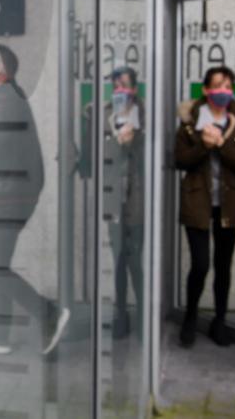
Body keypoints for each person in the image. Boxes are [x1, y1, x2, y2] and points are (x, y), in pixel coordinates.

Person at [0, 44, 71, 355]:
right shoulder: (3, 96)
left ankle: (49, 313)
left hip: (10, 195)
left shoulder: (8, 99)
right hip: (7, 194)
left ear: (2, 68)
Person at [174, 66, 235, 347]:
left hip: (228, 202)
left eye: (228, 86)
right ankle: (190, 317)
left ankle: (220, 321)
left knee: (223, 265)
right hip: (197, 200)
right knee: (200, 264)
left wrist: (221, 143)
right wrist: (204, 145)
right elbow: (180, 159)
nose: (223, 91)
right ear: (206, 90)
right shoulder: (190, 119)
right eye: (217, 86)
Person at [81, 67, 146, 340]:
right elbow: (90, 157)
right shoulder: (100, 115)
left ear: (135, 88)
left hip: (137, 196)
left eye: (125, 84)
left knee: (134, 257)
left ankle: (143, 313)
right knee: (118, 257)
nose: (120, 89)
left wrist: (132, 142)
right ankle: (121, 312)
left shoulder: (145, 115)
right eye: (115, 84)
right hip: (110, 194)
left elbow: (149, 160)